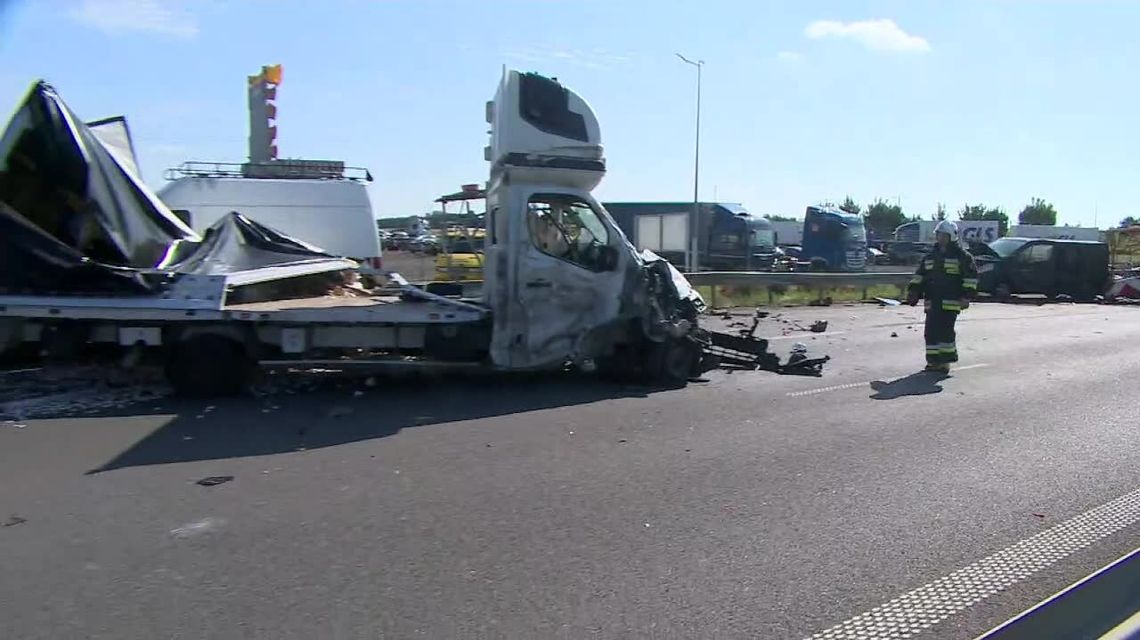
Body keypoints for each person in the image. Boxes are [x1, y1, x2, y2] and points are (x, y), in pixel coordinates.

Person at [906, 220, 979, 372]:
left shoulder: (962, 257)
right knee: (930, 332)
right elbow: (920, 276)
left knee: (945, 332)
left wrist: (966, 296)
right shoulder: (930, 257)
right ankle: (933, 361)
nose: (940, 238)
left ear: (951, 236)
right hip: (932, 301)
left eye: (943, 235)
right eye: (938, 235)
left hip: (950, 302)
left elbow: (970, 278)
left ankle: (945, 362)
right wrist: (914, 291)